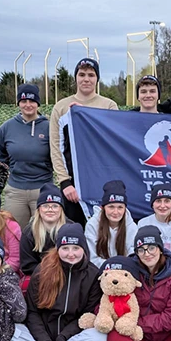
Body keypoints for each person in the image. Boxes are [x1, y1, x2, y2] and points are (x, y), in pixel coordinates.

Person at [0, 223, 107, 341]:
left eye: (76, 248)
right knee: (5, 338)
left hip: (71, 337)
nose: (71, 253)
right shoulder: (43, 270)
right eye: (65, 248)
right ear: (57, 249)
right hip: (40, 335)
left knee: (100, 339)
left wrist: (63, 337)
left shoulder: (92, 274)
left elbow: (86, 316)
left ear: (84, 249)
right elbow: (32, 311)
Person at [49, 58, 118, 224]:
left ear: (97, 79)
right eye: (82, 74)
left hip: (102, 182)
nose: (86, 79)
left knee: (102, 233)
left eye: (91, 75)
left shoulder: (109, 106)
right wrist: (65, 182)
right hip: (73, 185)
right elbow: (56, 147)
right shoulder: (61, 107)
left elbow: (114, 144)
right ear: (76, 78)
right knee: (74, 233)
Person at [0, 85, 53, 229]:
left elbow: (57, 155)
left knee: (44, 233)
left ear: (38, 103)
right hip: (16, 190)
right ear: (18, 103)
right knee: (12, 231)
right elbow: (1, 154)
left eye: (32, 101)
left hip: (42, 189)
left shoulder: (49, 127)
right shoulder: (7, 127)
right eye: (23, 101)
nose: (28, 105)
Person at [19, 183, 67, 289]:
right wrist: (50, 273)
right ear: (39, 209)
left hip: (68, 274)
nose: (50, 209)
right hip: (40, 276)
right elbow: (27, 265)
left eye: (55, 206)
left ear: (61, 209)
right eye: (45, 206)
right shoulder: (29, 232)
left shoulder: (71, 229)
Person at [84, 180, 138, 268]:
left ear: (125, 208)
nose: (115, 212)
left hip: (125, 271)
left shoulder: (131, 226)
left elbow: (132, 256)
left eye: (120, 207)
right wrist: (112, 267)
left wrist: (120, 268)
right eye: (111, 207)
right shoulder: (92, 225)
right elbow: (92, 258)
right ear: (103, 208)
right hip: (99, 271)